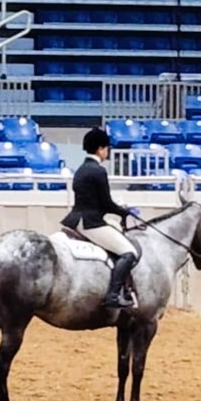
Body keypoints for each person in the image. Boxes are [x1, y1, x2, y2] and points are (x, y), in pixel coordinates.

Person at [61, 127, 139, 309]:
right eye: (107, 149)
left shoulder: (80, 169)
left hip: (75, 219)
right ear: (100, 149)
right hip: (91, 223)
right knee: (129, 253)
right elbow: (105, 203)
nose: (107, 152)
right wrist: (125, 212)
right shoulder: (98, 171)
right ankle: (112, 295)